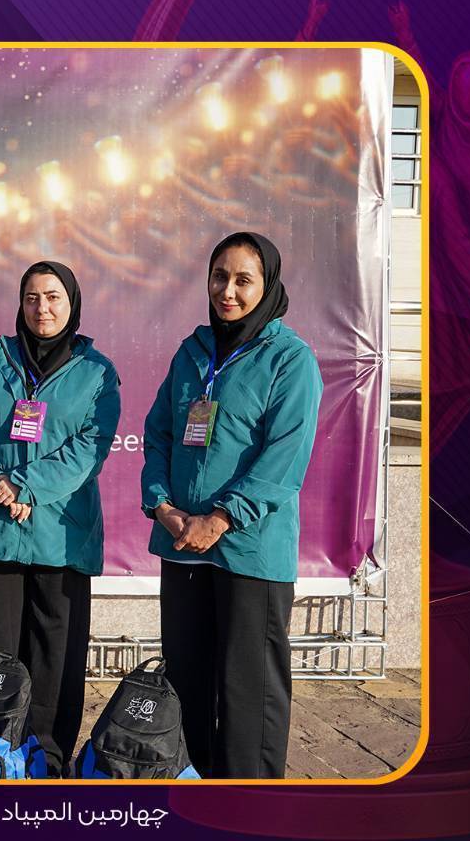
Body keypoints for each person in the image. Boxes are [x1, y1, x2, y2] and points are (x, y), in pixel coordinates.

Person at [141, 231, 323, 779]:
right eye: (219, 277)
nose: (228, 291)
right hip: (183, 546)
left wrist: (220, 519)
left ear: (268, 286)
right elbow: (159, 434)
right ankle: (193, 794)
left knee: (250, 697)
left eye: (244, 280)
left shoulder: (290, 360)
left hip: (250, 552)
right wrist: (162, 507)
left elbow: (284, 459)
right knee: (186, 685)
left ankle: (253, 806)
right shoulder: (192, 352)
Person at [0, 260, 121, 776]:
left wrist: (27, 486)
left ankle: (48, 759)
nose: (41, 308)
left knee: (55, 652)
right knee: (1, 650)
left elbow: (89, 448)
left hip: (60, 533)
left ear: (72, 303)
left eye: (53, 297)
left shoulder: (97, 371)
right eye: (32, 297)